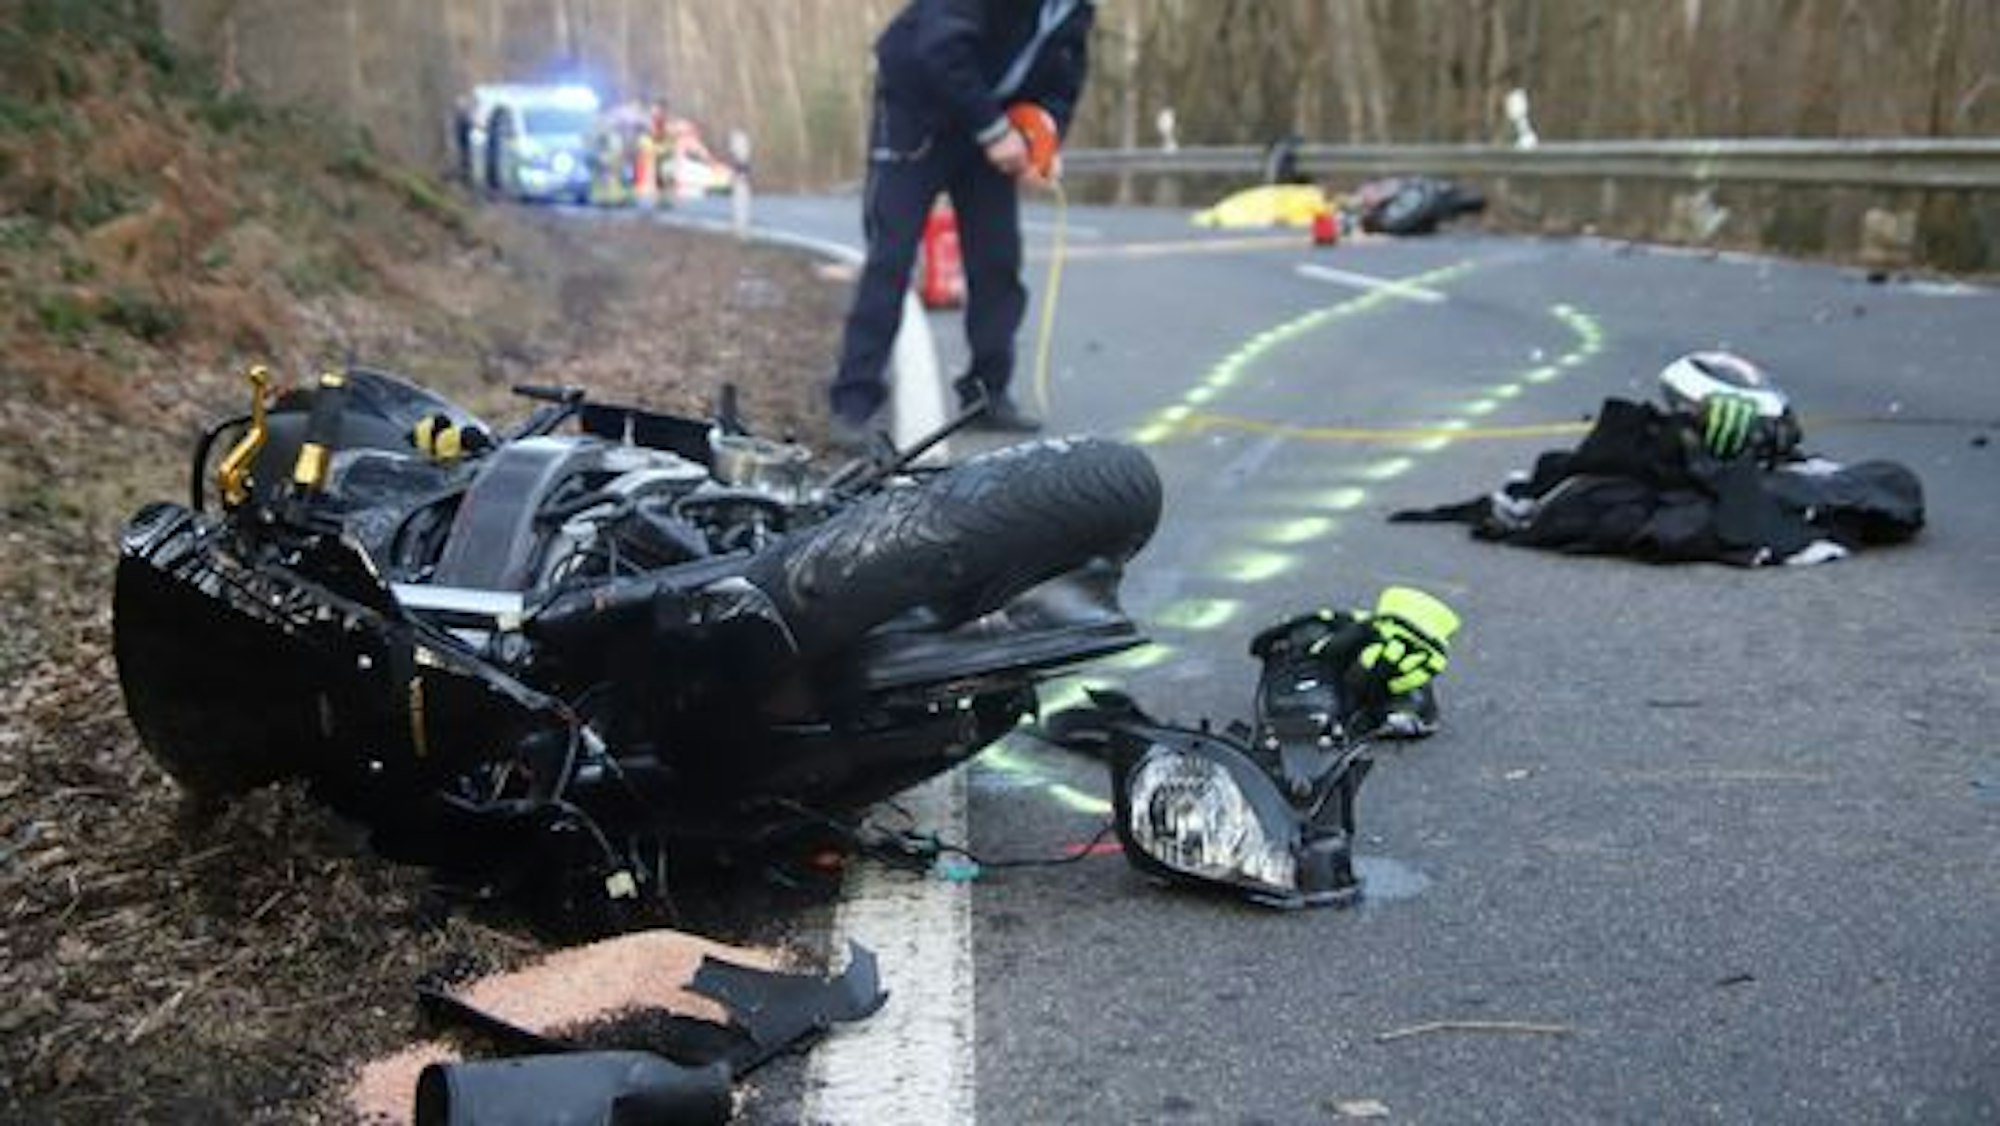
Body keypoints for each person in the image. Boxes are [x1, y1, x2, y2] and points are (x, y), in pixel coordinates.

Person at [828, 0, 1096, 450]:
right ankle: (853, 401)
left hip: (990, 119)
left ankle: (986, 394)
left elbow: (1064, 80)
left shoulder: (1075, 9)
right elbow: (940, 48)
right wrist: (994, 131)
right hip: (918, 112)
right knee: (891, 257)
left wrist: (1044, 135)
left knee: (997, 260)